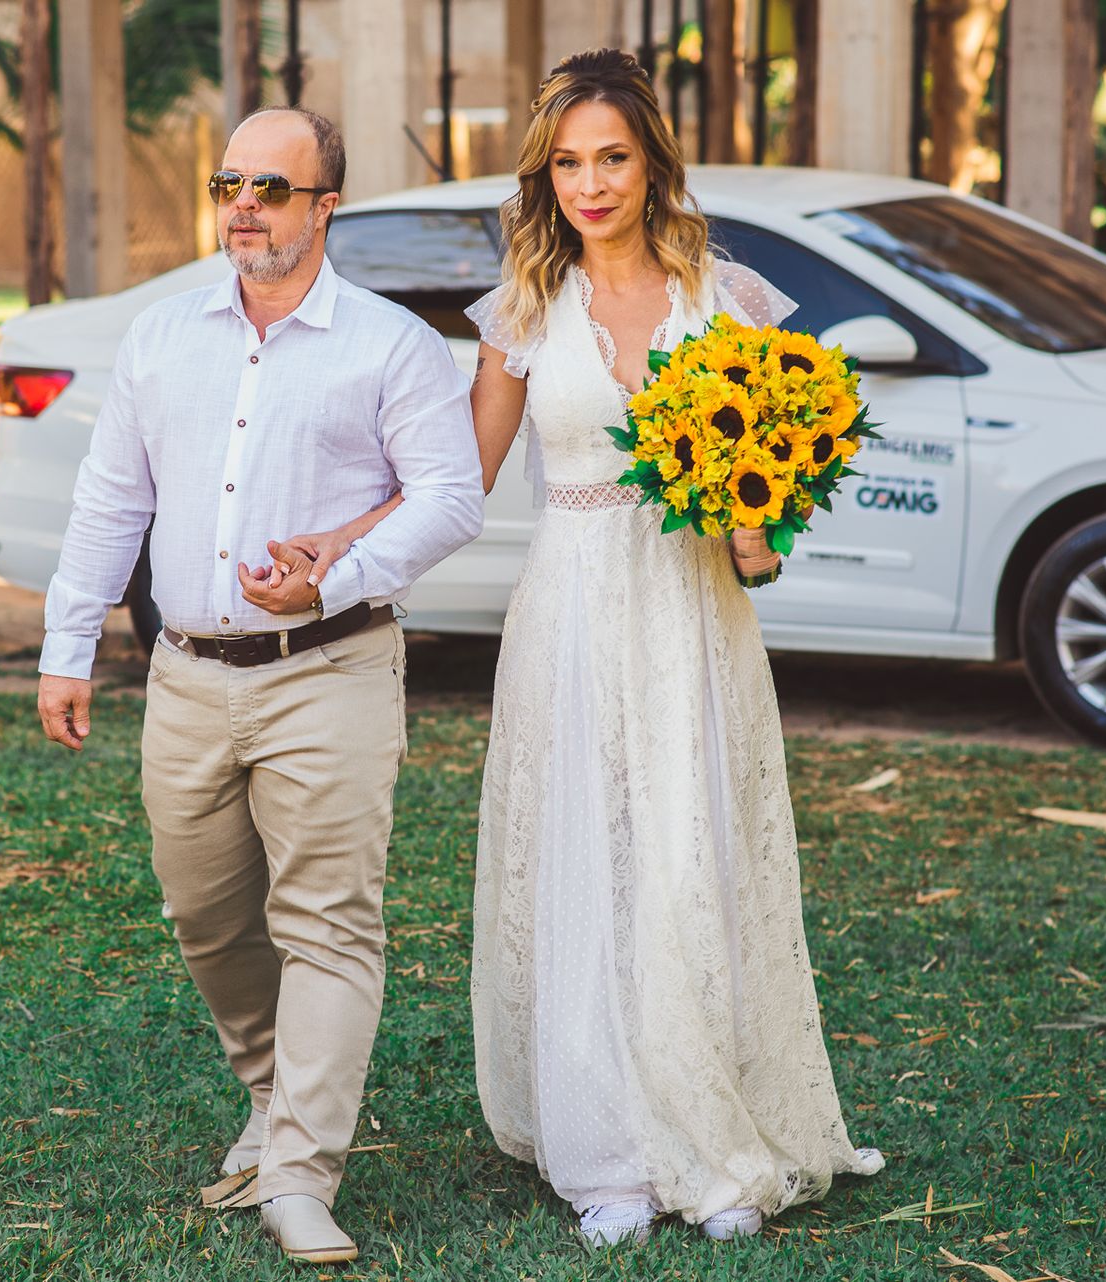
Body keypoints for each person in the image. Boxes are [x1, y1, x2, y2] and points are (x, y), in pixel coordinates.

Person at [34, 106, 484, 1267]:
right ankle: (274, 1091)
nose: (244, 204)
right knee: (206, 912)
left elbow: (448, 497)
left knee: (328, 922)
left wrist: (337, 576)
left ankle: (299, 1171)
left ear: (324, 206)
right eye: (230, 182)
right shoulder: (162, 337)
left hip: (330, 670)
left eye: (272, 188)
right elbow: (109, 502)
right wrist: (67, 644)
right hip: (184, 675)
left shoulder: (390, 344)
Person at [462, 47, 884, 1246]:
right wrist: (337, 542)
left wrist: (761, 537)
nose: (591, 184)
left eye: (613, 158)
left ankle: (713, 1132)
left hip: (695, 611)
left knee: (694, 854)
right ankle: (608, 1153)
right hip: (573, 606)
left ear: (652, 163)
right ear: (545, 175)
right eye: (568, 162)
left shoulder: (732, 300)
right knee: (590, 858)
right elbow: (457, 477)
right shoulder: (523, 311)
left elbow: (773, 505)